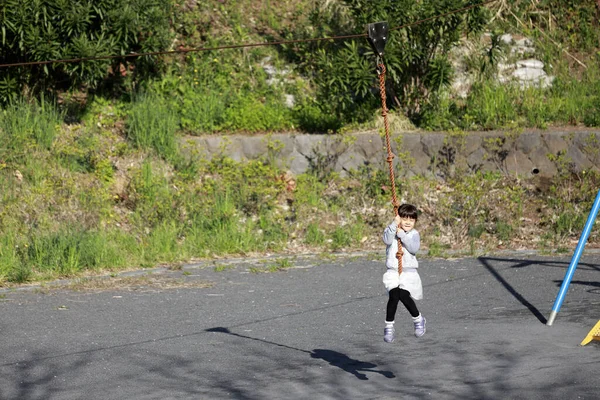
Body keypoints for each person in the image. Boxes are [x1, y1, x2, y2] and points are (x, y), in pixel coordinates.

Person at [382, 203, 425, 343]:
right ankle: (389, 327)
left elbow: (413, 248)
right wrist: (394, 225)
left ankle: (418, 319)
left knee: (404, 295)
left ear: (415, 221)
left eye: (411, 220)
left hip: (408, 273)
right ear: (399, 218)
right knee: (394, 295)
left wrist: (402, 235)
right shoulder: (393, 231)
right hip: (393, 271)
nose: (408, 222)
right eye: (404, 219)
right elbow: (386, 240)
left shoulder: (414, 234)